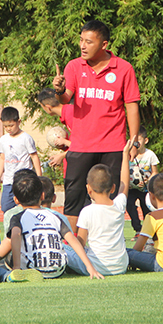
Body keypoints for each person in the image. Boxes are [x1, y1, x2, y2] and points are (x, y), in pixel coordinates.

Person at [52, 20, 141, 232]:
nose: (83, 45)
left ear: (104, 44)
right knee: (74, 200)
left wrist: (134, 141)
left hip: (113, 146)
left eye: (89, 42)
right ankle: (73, 249)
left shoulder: (124, 68)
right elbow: (66, 99)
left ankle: (108, 245)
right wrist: (59, 90)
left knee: (111, 199)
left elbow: (132, 107)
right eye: (81, 40)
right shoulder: (74, 66)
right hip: (80, 146)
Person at [8, 172, 101, 279]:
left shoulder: (18, 217)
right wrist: (89, 267)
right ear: (42, 195)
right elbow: (73, 240)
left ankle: (14, 274)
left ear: (16, 200)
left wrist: (16, 267)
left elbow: (16, 235)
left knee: (7, 259)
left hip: (32, 267)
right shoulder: (55, 216)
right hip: (58, 270)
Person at [64, 140, 133, 277]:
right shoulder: (118, 205)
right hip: (121, 266)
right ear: (113, 187)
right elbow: (124, 182)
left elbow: (81, 244)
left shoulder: (87, 211)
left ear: (88, 188)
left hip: (96, 267)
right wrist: (125, 155)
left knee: (63, 248)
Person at [0, 107, 41, 213]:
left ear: (18, 122)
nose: (8, 129)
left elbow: (34, 157)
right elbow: (2, 159)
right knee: (6, 208)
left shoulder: (26, 138)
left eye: (11, 125)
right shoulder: (3, 139)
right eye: (5, 126)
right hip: (8, 181)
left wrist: (39, 177)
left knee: (26, 207)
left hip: (24, 181)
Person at [127, 126, 158, 237]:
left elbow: (155, 172)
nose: (136, 143)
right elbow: (124, 170)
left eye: (138, 140)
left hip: (145, 189)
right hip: (131, 189)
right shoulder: (128, 155)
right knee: (129, 205)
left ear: (146, 140)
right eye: (133, 141)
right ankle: (138, 229)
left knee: (146, 209)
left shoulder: (150, 155)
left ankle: (147, 231)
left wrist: (147, 180)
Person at [36, 88, 73, 170]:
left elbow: (83, 145)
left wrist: (62, 155)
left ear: (47, 107)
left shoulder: (71, 114)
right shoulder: (66, 114)